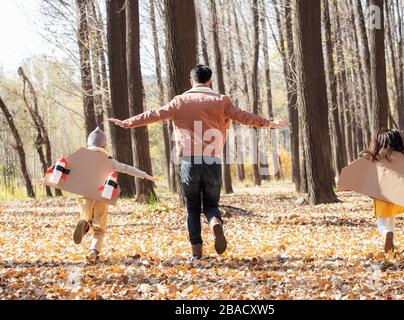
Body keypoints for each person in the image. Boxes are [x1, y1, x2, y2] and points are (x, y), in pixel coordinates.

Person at [109, 65, 289, 259]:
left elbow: (155, 114)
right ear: (209, 80)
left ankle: (197, 253)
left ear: (191, 80)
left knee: (192, 208)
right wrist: (270, 123)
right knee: (211, 205)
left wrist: (128, 122)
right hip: (212, 161)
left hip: (189, 162)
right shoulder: (221, 101)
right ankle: (215, 224)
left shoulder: (180, 102)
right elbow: (244, 118)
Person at [36, 127, 157, 263]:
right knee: (99, 228)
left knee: (86, 216)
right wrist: (145, 176)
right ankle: (93, 252)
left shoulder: (80, 156)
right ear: (104, 145)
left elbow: (61, 168)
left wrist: (44, 180)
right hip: (102, 195)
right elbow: (127, 168)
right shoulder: (109, 160)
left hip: (83, 195)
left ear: (89, 144)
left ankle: (84, 222)